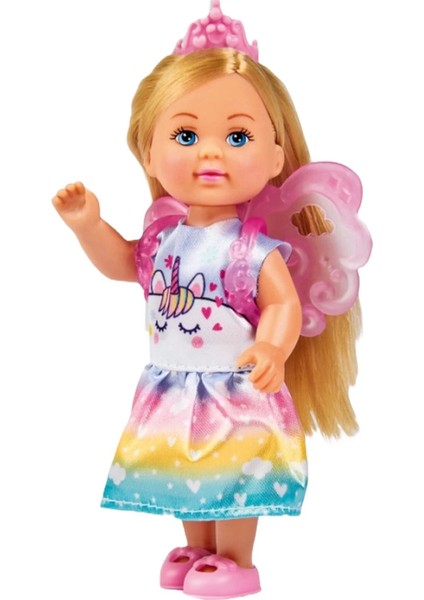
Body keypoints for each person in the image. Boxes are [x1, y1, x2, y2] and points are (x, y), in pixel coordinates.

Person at [52, 2, 364, 597]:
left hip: (233, 387)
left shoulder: (252, 249)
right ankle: (197, 547)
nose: (210, 153)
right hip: (172, 383)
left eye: (238, 136)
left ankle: (235, 559)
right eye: (186, 135)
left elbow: (282, 304)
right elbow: (123, 264)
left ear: (276, 157)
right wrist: (88, 225)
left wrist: (272, 348)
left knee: (231, 473)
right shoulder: (162, 239)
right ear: (149, 152)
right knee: (183, 468)